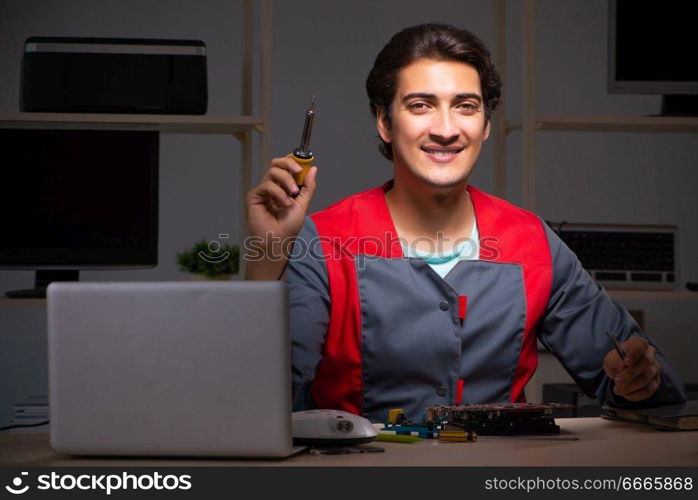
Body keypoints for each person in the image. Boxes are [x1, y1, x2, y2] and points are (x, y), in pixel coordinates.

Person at [245, 23, 686, 422]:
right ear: (384, 122)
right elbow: (256, 398)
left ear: (486, 124)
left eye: (466, 106)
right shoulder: (324, 241)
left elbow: (653, 386)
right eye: (420, 105)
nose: (445, 128)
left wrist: (635, 378)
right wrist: (267, 256)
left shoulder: (533, 241)